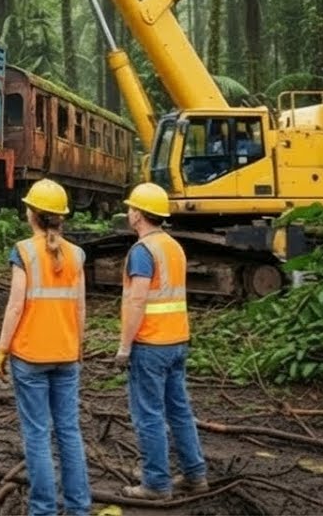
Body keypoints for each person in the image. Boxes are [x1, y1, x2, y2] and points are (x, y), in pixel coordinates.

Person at [0, 180, 91, 516]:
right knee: (69, 432)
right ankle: (79, 509)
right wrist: (78, 347)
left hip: (30, 356)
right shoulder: (77, 255)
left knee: (37, 435)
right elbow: (80, 308)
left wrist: (1, 349)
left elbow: (15, 306)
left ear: (31, 213)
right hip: (66, 355)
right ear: (60, 218)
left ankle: (43, 510)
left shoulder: (23, 251)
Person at [115, 183, 209, 500]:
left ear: (139, 214)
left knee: (149, 414)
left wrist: (125, 347)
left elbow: (137, 301)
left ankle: (156, 483)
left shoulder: (143, 252)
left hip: (151, 344)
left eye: (131, 208)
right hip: (177, 341)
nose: (129, 212)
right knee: (179, 411)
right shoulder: (173, 246)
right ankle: (195, 474)